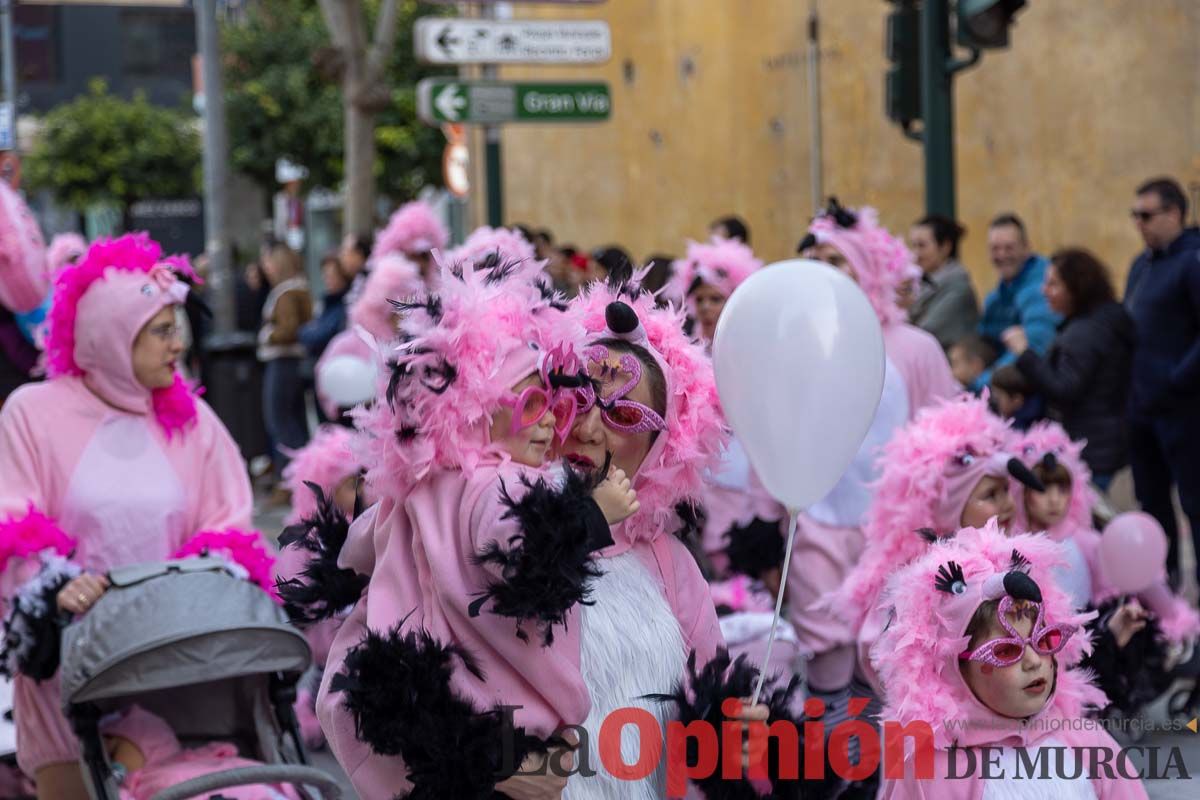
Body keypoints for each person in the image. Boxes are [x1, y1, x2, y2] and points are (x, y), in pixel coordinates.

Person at [0, 234, 266, 800]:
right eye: (162, 330)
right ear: (110, 334)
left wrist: (204, 579)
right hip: (65, 675)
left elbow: (230, 525)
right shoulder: (33, 413)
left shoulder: (195, 422)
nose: (179, 346)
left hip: (175, 676)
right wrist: (50, 586)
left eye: (178, 328)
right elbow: (10, 521)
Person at [876, 523, 1147, 799]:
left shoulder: (1089, 746)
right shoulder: (933, 772)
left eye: (1042, 640)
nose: (1033, 661)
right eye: (1005, 651)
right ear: (955, 669)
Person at [800, 198, 958, 417]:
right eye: (815, 262)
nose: (824, 272)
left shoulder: (919, 348)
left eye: (835, 261)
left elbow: (944, 434)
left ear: (864, 268)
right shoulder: (801, 343)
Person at [1123, 177, 1200, 588]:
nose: (1139, 223)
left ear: (1174, 214)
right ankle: (1161, 587)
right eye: (1135, 215)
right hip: (1141, 410)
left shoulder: (1192, 260)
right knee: (1150, 503)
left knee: (1194, 502)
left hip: (1184, 412)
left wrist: (1176, 380)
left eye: (1147, 215)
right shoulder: (1142, 264)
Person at [1004, 248, 1134, 488]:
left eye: (1053, 284)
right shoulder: (1097, 320)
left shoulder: (1086, 332)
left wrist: (1024, 353)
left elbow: (1064, 387)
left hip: (1091, 447)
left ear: (1076, 288)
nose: (1044, 291)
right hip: (1103, 440)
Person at [975, 213, 1061, 391]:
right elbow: (983, 340)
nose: (1002, 255)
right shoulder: (997, 296)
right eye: (995, 248)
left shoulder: (1040, 288)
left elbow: (1034, 346)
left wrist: (979, 385)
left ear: (1026, 248)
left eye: (1009, 248)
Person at [257, 244, 313, 487]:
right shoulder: (298, 289)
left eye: (269, 262)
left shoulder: (286, 292)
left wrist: (268, 335)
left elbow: (289, 328)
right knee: (294, 421)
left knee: (280, 421)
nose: (265, 268)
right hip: (292, 363)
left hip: (282, 362)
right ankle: (301, 477)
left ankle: (289, 481)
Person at [665, 237, 762, 345]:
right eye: (699, 300)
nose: (705, 307)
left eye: (715, 299)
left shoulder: (747, 344)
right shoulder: (685, 343)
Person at [907, 214, 979, 350]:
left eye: (922, 246)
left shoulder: (958, 288)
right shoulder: (920, 282)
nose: (915, 253)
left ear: (945, 247)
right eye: (913, 245)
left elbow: (925, 333)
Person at [370, 200, 448, 284]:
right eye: (414, 256)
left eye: (424, 256)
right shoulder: (387, 287)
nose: (420, 264)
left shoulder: (436, 287)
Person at [298, 253, 350, 362]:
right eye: (325, 275)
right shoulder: (326, 302)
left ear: (343, 276)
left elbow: (321, 336)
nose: (326, 279)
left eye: (331, 275)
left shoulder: (345, 304)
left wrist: (306, 331)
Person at [990, 364, 1043, 431]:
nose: (994, 401)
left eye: (998, 397)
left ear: (1016, 400)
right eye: (994, 396)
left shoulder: (1025, 427)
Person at [339, 232, 373, 306]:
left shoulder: (371, 282)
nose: (341, 257)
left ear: (358, 255)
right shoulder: (349, 281)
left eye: (345, 252)